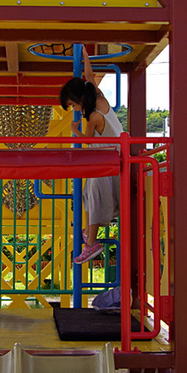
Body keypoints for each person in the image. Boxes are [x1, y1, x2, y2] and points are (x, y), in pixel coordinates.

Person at [58, 47, 122, 265]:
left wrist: (74, 129)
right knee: (87, 192)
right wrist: (85, 56)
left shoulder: (93, 116)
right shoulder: (98, 96)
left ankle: (91, 243)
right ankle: (89, 232)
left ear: (79, 99)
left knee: (93, 194)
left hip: (109, 160)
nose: (74, 108)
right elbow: (90, 76)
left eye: (73, 104)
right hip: (113, 156)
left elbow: (85, 139)